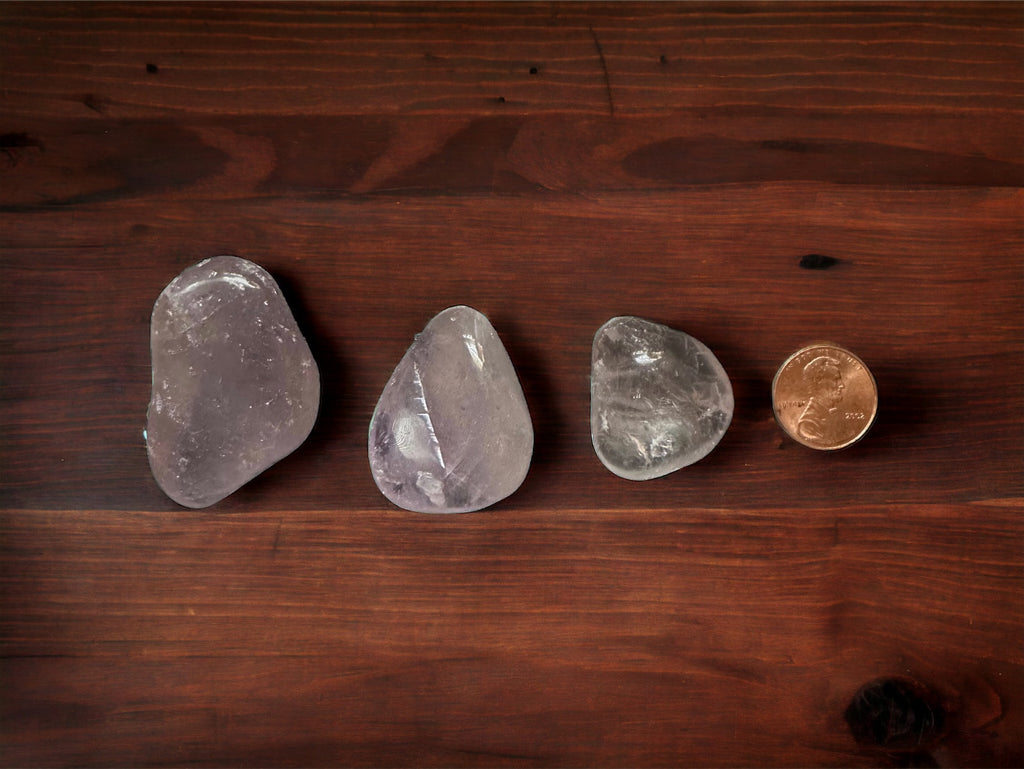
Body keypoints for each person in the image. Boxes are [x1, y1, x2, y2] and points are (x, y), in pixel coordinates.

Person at [797, 355, 844, 442]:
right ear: (818, 382)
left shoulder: (831, 413)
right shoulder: (808, 425)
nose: (842, 385)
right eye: (835, 379)